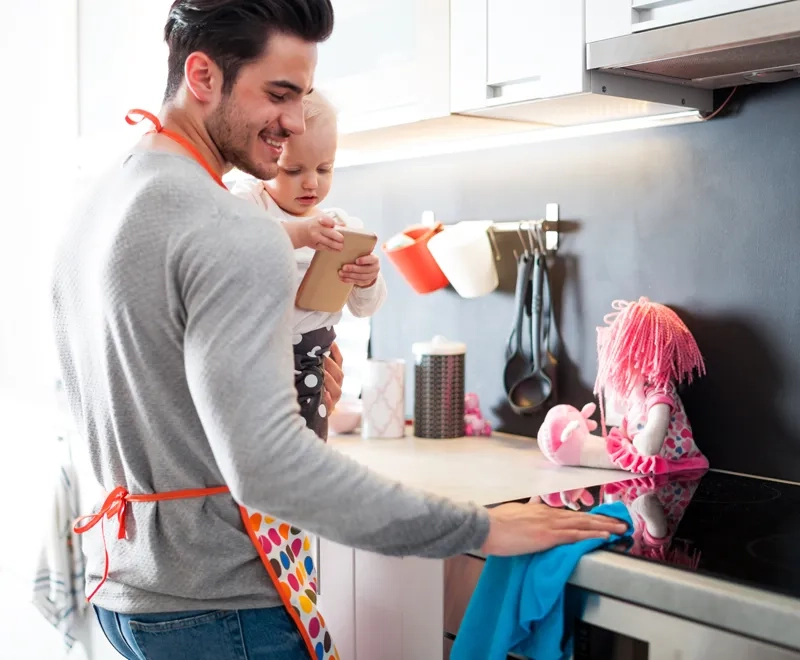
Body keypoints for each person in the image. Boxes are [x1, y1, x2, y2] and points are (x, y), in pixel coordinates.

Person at [50, 2, 628, 659]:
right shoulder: (232, 230)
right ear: (202, 75)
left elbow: (147, 392)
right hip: (222, 610)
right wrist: (482, 528)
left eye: (303, 97)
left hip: (129, 596)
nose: (294, 124)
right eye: (278, 94)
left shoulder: (98, 206)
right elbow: (270, 469)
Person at [232, 90, 385, 440]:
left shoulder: (340, 223)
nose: (312, 182)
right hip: (261, 361)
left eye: (324, 168)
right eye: (294, 170)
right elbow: (235, 241)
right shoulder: (249, 202)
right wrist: (299, 234)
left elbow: (365, 309)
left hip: (313, 362)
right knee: (261, 451)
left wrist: (366, 280)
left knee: (307, 455)